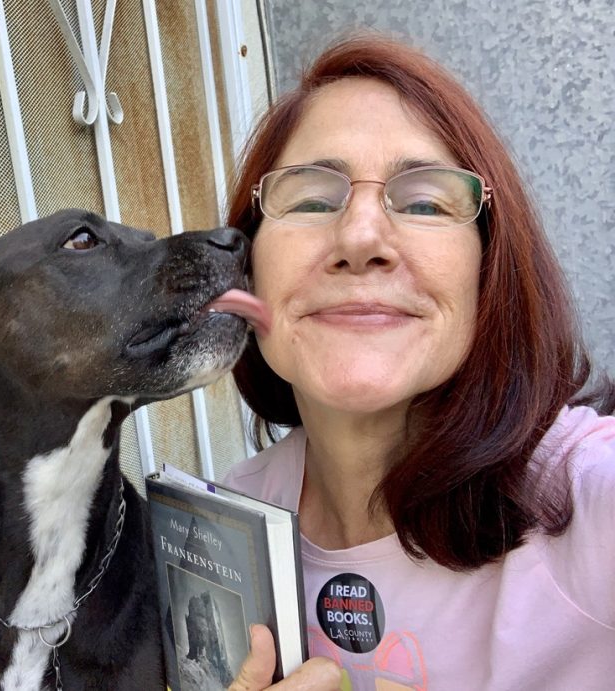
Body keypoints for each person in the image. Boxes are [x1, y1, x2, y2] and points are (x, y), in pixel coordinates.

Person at [221, 34, 615, 691]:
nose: (360, 238)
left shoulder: (583, 504)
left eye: (427, 201)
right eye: (312, 199)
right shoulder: (235, 517)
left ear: (488, 269)